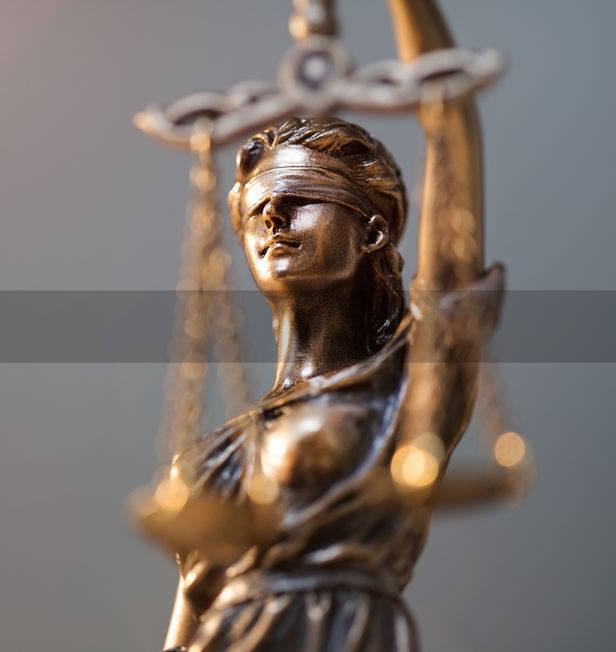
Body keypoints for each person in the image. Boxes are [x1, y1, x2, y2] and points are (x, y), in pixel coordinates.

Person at [159, 117, 503, 652]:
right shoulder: (203, 462)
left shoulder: (399, 389)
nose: (272, 215)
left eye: (302, 197)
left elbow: (451, 135)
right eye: (256, 209)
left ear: (372, 231)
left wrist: (439, 79)